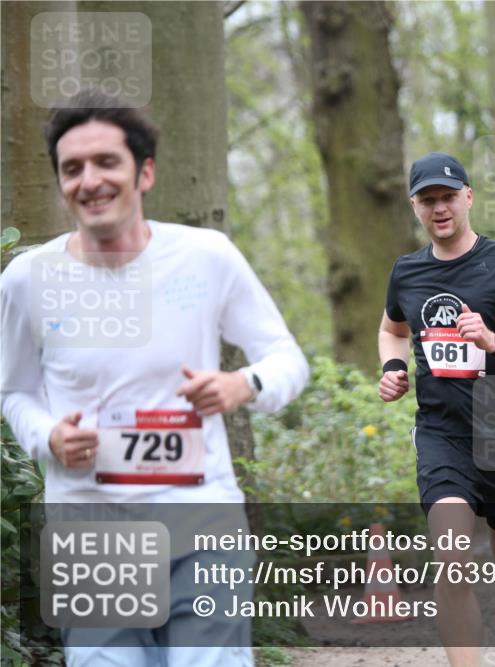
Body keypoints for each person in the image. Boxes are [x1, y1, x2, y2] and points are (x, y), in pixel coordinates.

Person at [0, 90, 308, 665]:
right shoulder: (26, 280)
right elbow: (14, 390)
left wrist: (246, 385)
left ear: (144, 172)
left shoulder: (206, 256)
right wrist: (47, 436)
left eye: (106, 162)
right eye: (72, 168)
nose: (89, 180)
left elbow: (286, 359)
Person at [377, 152, 495, 667]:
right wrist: (393, 368)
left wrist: (493, 340)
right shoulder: (407, 273)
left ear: (468, 198)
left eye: (448, 197)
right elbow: (392, 329)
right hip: (443, 434)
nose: (439, 208)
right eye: (428, 200)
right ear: (414, 206)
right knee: (451, 561)